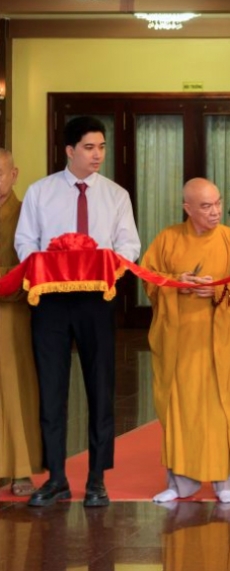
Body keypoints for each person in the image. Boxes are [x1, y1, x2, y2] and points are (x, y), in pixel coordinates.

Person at [15, 115, 141, 507]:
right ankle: (55, 477)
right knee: (52, 388)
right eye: (89, 147)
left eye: (102, 147)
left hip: (95, 300)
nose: (98, 154)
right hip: (50, 300)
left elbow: (130, 247)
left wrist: (102, 262)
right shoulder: (40, 192)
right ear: (69, 151)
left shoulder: (116, 195)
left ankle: (97, 479)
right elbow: (25, 243)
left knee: (100, 388)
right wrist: (52, 263)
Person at [141, 178, 230, 504]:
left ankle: (226, 482)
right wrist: (179, 283)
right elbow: (150, 280)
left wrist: (218, 289)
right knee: (181, 409)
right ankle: (180, 483)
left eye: (218, 203)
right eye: (206, 206)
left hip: (221, 341)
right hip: (181, 342)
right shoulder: (167, 240)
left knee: (223, 407)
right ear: (187, 208)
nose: (215, 211)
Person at [0, 150, 41, 498]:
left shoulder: (25, 211)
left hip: (11, 311)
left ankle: (21, 470)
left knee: (15, 389)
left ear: (14, 174)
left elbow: (31, 260)